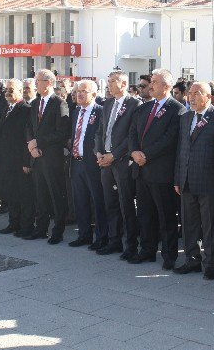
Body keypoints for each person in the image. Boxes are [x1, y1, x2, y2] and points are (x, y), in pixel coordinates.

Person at [128, 68, 186, 268]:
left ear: (167, 86)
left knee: (166, 216)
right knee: (144, 214)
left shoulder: (177, 109)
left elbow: (169, 139)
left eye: (155, 82)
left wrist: (146, 155)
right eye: (151, 81)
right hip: (141, 170)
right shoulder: (144, 108)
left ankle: (169, 255)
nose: (151, 85)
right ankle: (147, 250)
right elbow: (133, 132)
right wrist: (134, 152)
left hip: (161, 172)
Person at [173, 82, 214, 279]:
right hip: (187, 180)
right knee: (189, 224)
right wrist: (177, 178)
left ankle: (210, 263)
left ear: (209, 96)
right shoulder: (186, 117)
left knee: (210, 225)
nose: (192, 97)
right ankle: (192, 260)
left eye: (197, 93)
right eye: (190, 93)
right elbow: (181, 149)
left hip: (209, 182)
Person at [94, 71, 142, 257]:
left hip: (122, 162)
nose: (109, 85)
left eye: (112, 81)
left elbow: (132, 135)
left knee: (126, 204)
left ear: (123, 83)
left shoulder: (134, 104)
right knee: (110, 202)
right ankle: (114, 241)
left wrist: (114, 155)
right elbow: (100, 131)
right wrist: (98, 152)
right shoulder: (107, 104)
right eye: (108, 81)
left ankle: (130, 244)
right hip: (105, 161)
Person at [26, 69, 70, 243]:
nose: (35, 84)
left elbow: (62, 132)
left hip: (52, 158)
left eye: (38, 81)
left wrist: (39, 142)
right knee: (40, 194)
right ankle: (41, 228)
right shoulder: (36, 102)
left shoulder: (59, 103)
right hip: (36, 156)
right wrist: (31, 145)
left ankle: (58, 231)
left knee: (55, 194)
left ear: (48, 83)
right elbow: (29, 126)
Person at [67, 80, 109, 249]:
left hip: (93, 163)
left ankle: (101, 237)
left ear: (93, 94)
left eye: (84, 91)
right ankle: (84, 234)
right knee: (80, 200)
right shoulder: (76, 111)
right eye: (77, 91)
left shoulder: (100, 111)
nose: (79, 94)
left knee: (97, 201)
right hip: (76, 162)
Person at [0, 79, 35, 237]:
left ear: (20, 92)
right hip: (7, 160)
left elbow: (29, 137)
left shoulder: (26, 109)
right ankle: (14, 223)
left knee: (24, 195)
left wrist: (27, 161)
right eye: (6, 89)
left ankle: (25, 226)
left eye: (11, 90)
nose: (8, 92)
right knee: (11, 194)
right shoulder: (6, 108)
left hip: (21, 161)